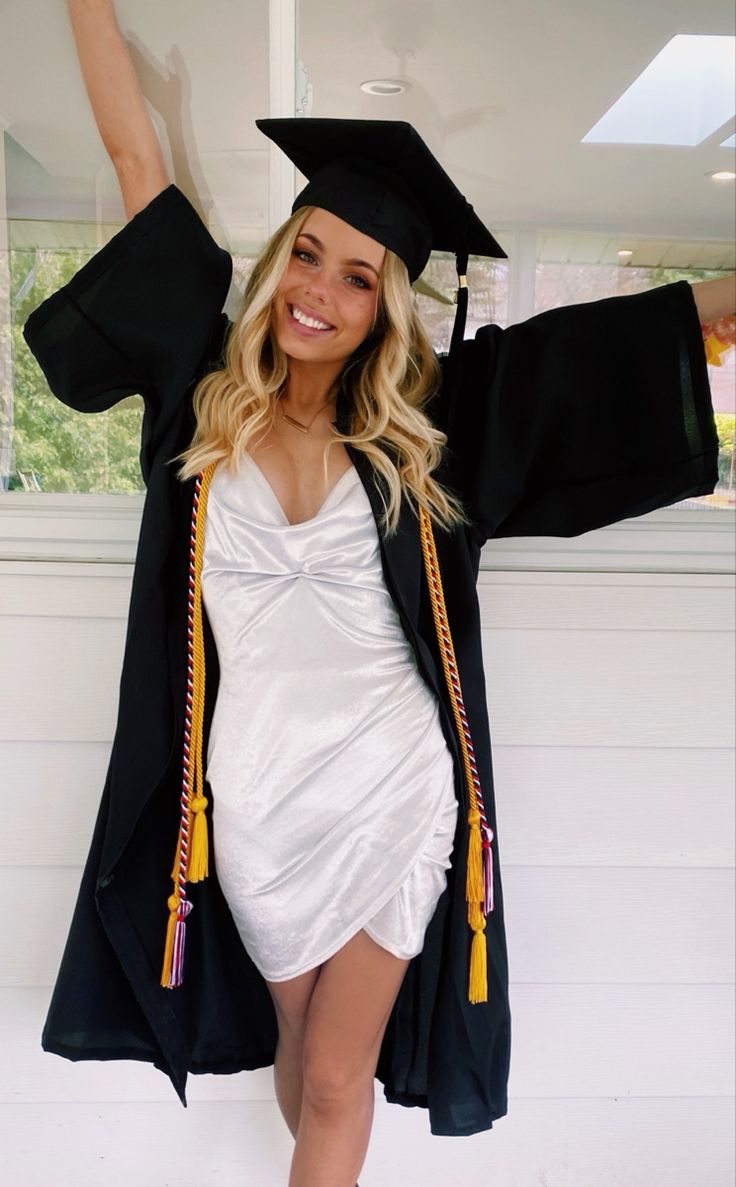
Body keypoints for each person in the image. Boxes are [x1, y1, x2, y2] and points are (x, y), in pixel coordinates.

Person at [21, 3, 735, 1186]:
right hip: (252, 799)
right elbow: (136, 157)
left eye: (360, 278)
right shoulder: (197, 387)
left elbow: (624, 348)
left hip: (394, 786)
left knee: (342, 1076)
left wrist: (718, 302)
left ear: (383, 306)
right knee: (303, 1049)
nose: (321, 292)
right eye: (308, 253)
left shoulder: (426, 432)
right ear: (276, 257)